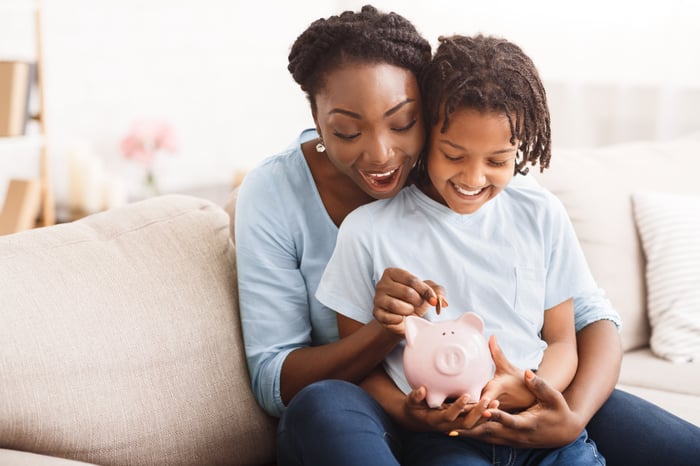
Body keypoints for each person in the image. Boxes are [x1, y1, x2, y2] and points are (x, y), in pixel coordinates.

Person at [233, 4, 700, 465]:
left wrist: (569, 412)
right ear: (316, 118)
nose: (380, 154)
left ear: (431, 110)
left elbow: (583, 315)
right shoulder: (284, 195)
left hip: (518, 393)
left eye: (402, 122)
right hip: (382, 412)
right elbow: (274, 376)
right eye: (346, 130)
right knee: (325, 403)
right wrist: (388, 333)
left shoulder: (484, 176)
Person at [316, 33, 605, 465]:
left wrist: (532, 388)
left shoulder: (540, 212)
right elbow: (361, 368)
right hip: (446, 438)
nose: (473, 178)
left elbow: (563, 340)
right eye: (453, 154)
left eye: (497, 161)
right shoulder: (368, 231)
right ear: (427, 135)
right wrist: (409, 414)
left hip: (541, 429)